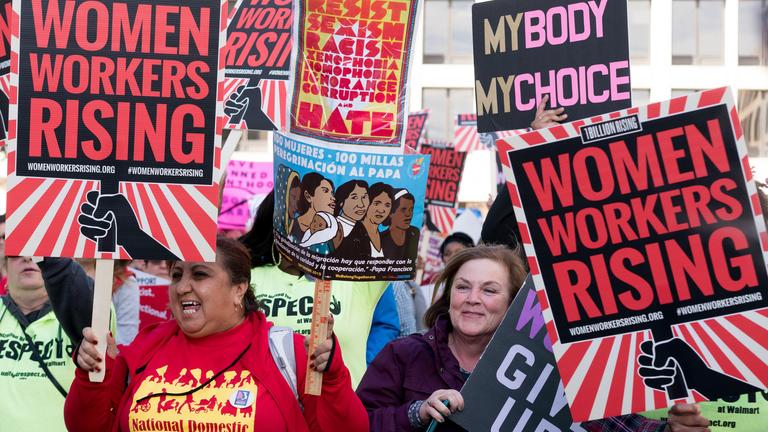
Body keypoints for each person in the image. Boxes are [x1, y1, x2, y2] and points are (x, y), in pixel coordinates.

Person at [357, 246, 711, 431]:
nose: (473, 298)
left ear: (514, 304)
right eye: (463, 287)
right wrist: (417, 413)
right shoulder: (404, 355)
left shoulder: (550, 362)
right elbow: (355, 423)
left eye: (490, 290)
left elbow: (608, 424)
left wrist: (671, 431)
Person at [64, 237, 368, 432]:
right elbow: (86, 426)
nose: (183, 287)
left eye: (200, 274)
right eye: (176, 275)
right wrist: (92, 375)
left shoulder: (289, 353)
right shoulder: (142, 350)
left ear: (239, 290)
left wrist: (332, 377)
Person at [242, 191, 399, 386]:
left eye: (321, 220)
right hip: (267, 407)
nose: (310, 229)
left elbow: (386, 325)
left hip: (338, 404)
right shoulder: (246, 277)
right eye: (301, 219)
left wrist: (363, 370)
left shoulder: (358, 276)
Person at [0, 256, 77, 431]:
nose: (28, 257)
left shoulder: (82, 312)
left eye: (39, 252)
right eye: (16, 253)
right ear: (4, 266)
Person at [337, 182, 394, 259]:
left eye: (387, 205)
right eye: (376, 203)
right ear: (368, 203)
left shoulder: (385, 238)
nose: (381, 210)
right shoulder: (351, 232)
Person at [291, 173, 336, 242]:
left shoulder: (331, 230)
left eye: (332, 193)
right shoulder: (291, 226)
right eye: (325, 191)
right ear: (308, 196)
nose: (333, 198)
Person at [381, 189, 419, 260]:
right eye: (403, 210)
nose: (408, 214)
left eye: (411, 209)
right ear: (391, 213)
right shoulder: (381, 240)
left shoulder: (414, 233)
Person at [334, 179, 370, 244]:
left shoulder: (362, 228)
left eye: (364, 197)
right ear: (341, 202)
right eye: (354, 198)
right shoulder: (331, 226)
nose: (361, 205)